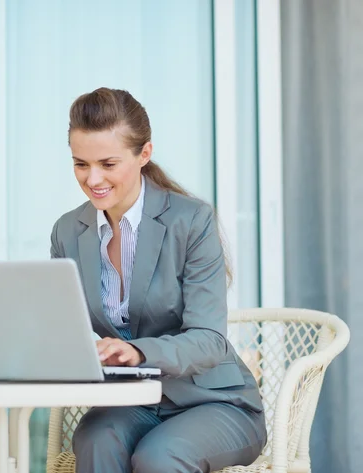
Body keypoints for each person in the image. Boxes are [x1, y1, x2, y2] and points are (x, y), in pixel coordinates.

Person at [50, 88, 266, 473]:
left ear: (144, 154)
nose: (92, 178)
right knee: (96, 440)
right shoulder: (68, 231)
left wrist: (139, 353)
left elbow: (210, 341)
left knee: (158, 457)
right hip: (133, 402)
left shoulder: (191, 220)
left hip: (213, 400)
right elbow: (64, 330)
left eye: (108, 163)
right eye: (80, 163)